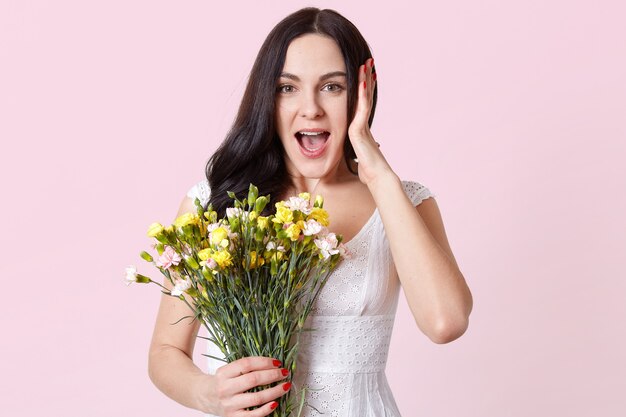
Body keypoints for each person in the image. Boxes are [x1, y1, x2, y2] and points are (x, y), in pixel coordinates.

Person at [148, 7, 473, 417]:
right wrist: (208, 393)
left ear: (361, 93)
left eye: (332, 87)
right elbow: (164, 352)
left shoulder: (404, 202)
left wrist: (380, 176)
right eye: (288, 88)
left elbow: (446, 322)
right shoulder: (213, 203)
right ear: (266, 97)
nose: (311, 108)